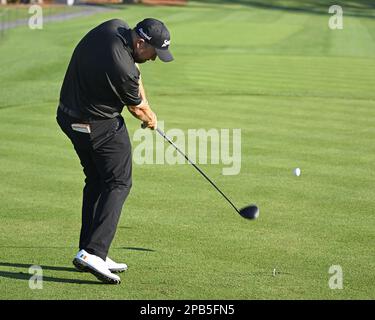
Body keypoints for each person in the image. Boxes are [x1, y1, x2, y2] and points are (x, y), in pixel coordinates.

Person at [56, 18, 173, 284]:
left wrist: (146, 105)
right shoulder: (123, 68)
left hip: (67, 117)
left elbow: (136, 73)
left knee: (97, 180)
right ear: (140, 43)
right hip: (97, 125)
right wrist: (150, 116)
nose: (155, 59)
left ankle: (89, 249)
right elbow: (136, 108)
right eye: (154, 53)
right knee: (119, 181)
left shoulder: (113, 26)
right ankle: (95, 252)